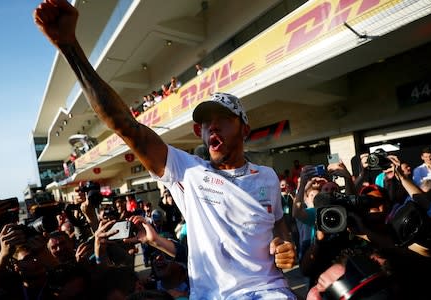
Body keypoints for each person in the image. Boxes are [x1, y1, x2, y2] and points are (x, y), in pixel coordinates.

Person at [33, 2, 297, 299]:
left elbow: (276, 223)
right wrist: (70, 47)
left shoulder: (268, 176)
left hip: (271, 291)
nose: (213, 128)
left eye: (223, 120)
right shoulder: (187, 171)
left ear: (244, 129)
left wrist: (282, 244)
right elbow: (126, 126)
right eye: (206, 124)